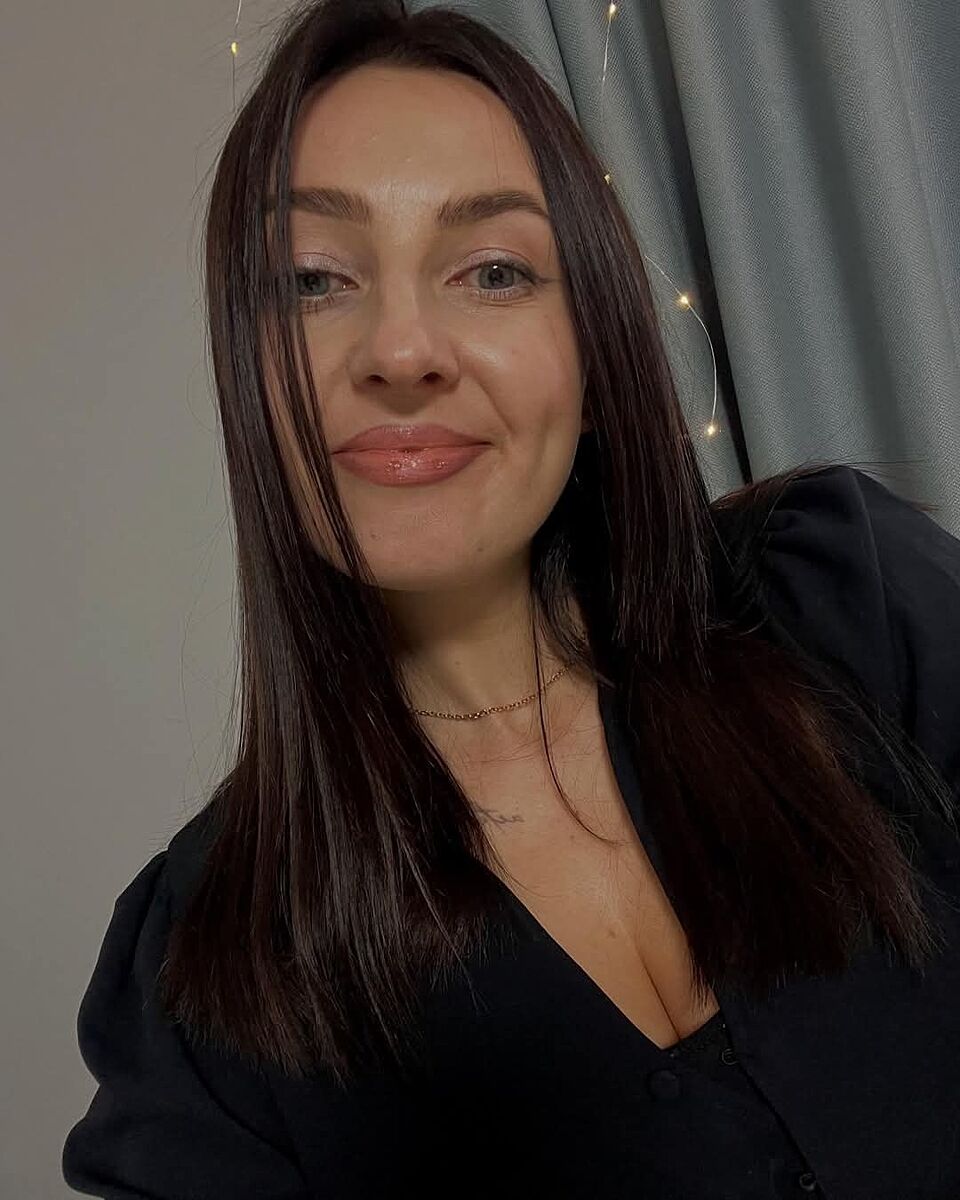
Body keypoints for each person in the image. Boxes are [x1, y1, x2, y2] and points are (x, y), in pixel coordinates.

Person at [62, 2, 960, 1196]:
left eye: (494, 271)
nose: (402, 350)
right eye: (314, 279)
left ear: (593, 359)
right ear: (248, 384)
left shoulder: (848, 601)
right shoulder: (201, 978)